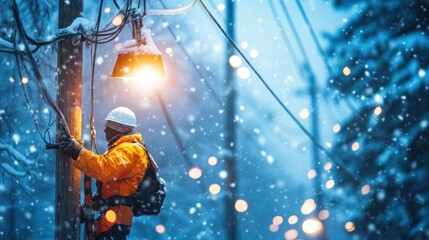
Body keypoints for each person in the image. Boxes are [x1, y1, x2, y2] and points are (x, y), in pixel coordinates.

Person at [59, 107, 148, 240]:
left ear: (118, 128)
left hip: (114, 223)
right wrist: (94, 204)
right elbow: (114, 188)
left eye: (109, 126)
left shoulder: (130, 150)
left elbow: (105, 168)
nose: (105, 130)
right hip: (110, 221)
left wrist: (78, 152)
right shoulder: (123, 149)